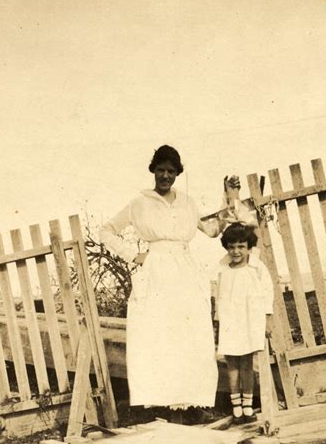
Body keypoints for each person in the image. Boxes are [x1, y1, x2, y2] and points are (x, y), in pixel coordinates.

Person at [99, 144, 235, 414]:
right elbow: (107, 230)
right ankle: (162, 405)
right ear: (153, 171)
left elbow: (210, 230)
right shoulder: (139, 203)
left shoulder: (187, 201)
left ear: (177, 173)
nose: (165, 176)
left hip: (185, 270)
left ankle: (191, 403)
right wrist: (133, 255)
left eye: (171, 171)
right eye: (160, 170)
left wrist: (227, 201)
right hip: (157, 272)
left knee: (191, 334)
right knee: (159, 335)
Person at [216, 222, 273, 424]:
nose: (236, 251)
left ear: (249, 247)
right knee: (232, 364)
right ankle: (236, 407)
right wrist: (219, 321)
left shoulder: (256, 268)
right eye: (231, 247)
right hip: (231, 321)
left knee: (247, 364)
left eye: (241, 246)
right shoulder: (223, 270)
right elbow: (219, 296)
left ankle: (248, 406)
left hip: (250, 319)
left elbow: (267, 292)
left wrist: (267, 319)